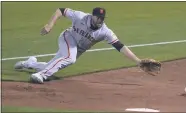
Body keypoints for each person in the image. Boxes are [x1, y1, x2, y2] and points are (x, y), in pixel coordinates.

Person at [15, 7, 159, 84]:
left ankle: (30, 63)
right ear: (92, 16)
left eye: (103, 18)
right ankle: (40, 75)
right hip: (67, 37)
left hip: (79, 49)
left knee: (55, 64)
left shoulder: (105, 32)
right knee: (70, 58)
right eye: (98, 17)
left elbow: (120, 46)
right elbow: (61, 10)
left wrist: (138, 61)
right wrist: (50, 24)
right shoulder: (80, 16)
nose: (101, 20)